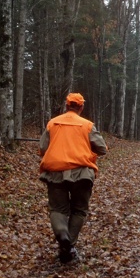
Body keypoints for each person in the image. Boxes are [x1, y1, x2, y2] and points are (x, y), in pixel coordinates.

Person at [39, 92, 108, 263]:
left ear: (66, 105)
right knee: (79, 210)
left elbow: (42, 148)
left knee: (58, 210)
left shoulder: (52, 123)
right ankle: (69, 246)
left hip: (55, 172)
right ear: (81, 107)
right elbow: (102, 149)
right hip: (82, 173)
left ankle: (63, 237)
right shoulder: (87, 125)